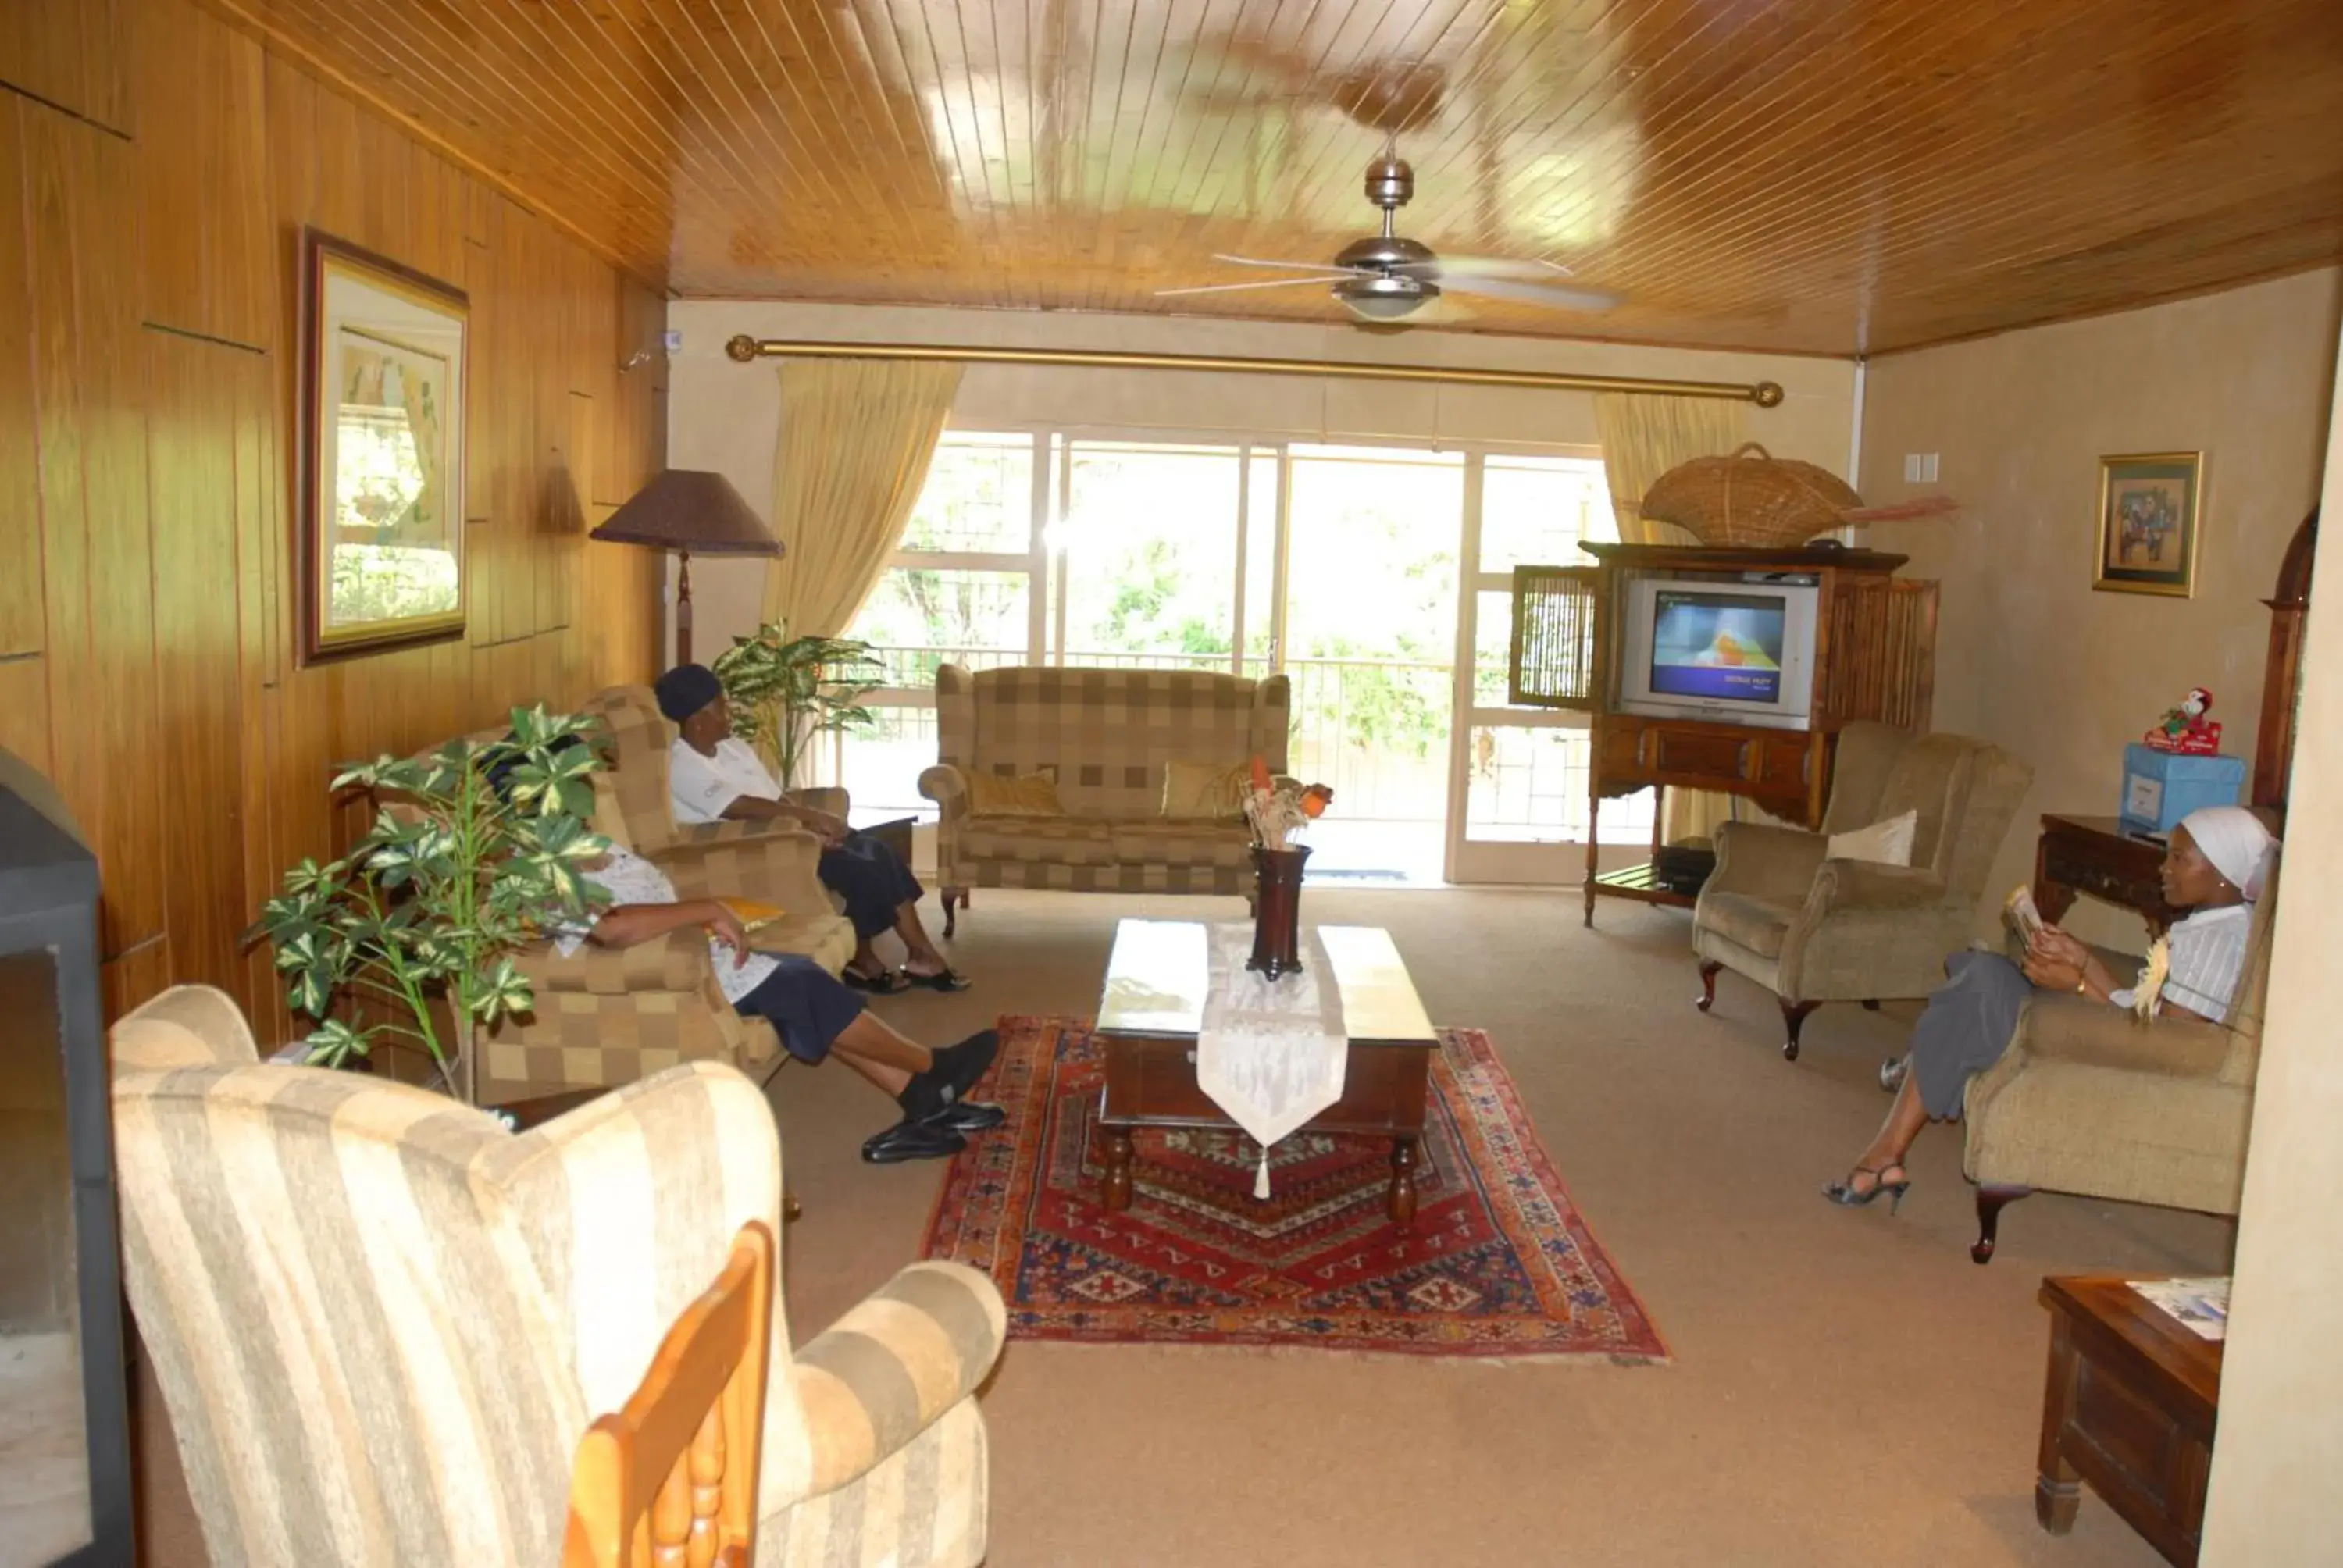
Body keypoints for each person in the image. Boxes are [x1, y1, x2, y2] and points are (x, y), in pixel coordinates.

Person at [1823, 804, 2277, 1212]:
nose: (2164, 868)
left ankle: (1889, 1142)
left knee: (1977, 987)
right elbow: (2146, 1007)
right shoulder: (2212, 925)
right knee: (1982, 974)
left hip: (2109, 1055)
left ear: (2222, 872)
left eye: (2179, 858)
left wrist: (2078, 985)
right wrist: (2081, 959)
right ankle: (1909, 1092)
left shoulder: (2220, 941)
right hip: (2113, 1030)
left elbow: (2169, 1044)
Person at [551, 839, 1001, 1164]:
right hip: (665, 978)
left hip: (701, 956)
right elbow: (612, 930)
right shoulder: (543, 868)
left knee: (808, 990)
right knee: (801, 987)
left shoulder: (588, 843)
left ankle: (925, 1101)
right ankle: (931, 1067)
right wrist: (706, 910)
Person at [653, 663, 968, 995]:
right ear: (697, 721)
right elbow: (738, 808)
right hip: (755, 850)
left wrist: (813, 825)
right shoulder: (681, 764)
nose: (730, 712)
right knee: (862, 870)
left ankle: (920, 954)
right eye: (720, 706)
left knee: (880, 851)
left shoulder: (735, 749)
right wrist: (807, 829)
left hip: (789, 836)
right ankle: (870, 960)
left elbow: (776, 799)